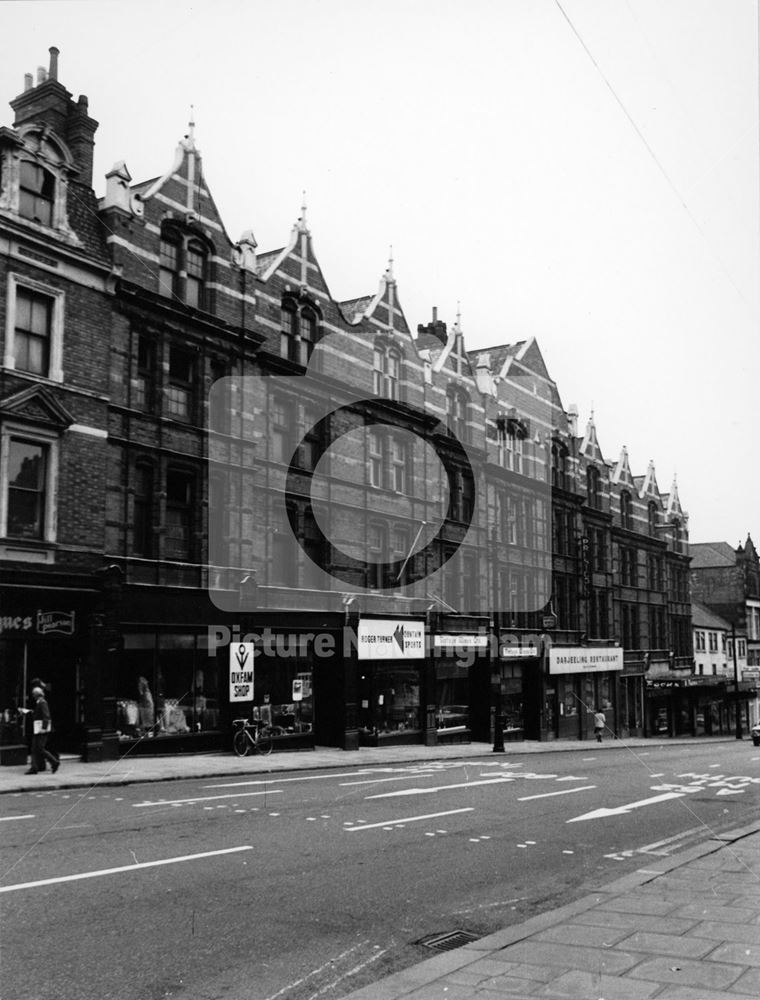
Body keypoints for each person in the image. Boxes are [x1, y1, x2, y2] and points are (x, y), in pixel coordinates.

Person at [25, 686, 60, 775]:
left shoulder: (42, 703)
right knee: (35, 748)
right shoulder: (39, 703)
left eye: (33, 694)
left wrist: (44, 728)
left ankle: (54, 762)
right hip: (39, 729)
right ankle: (35, 767)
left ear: (37, 695)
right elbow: (40, 714)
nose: (33, 696)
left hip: (41, 730)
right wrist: (30, 712)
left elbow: (46, 716)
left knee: (39, 748)